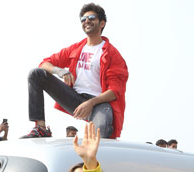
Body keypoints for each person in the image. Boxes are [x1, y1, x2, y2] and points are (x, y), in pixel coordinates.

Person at [21, 3, 128, 139]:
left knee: (101, 134)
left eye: (91, 17)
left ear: (102, 23)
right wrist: (59, 71)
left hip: (98, 103)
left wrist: (91, 103)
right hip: (74, 98)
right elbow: (44, 64)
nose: (86, 21)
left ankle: (93, 158)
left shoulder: (112, 54)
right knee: (36, 74)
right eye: (83, 19)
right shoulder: (76, 48)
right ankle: (41, 128)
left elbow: (115, 91)